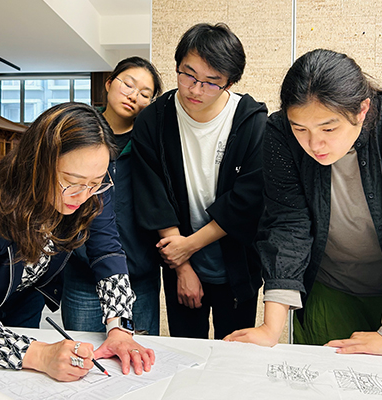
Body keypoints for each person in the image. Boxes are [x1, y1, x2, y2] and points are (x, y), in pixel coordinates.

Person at [0, 102, 155, 382]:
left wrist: (120, 327)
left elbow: (106, 250)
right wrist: (43, 355)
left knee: (23, 381)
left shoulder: (91, 184)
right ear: (38, 163)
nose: (84, 195)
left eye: (96, 182)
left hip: (22, 291)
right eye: (71, 181)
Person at [224, 49, 382, 356]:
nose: (315, 144)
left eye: (329, 128)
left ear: (362, 109)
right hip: (330, 287)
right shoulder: (280, 132)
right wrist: (270, 328)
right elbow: (287, 222)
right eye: (301, 129)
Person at [130, 23, 267, 340]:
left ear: (229, 82)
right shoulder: (154, 119)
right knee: (187, 349)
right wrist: (182, 265)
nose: (195, 89)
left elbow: (247, 201)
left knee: (234, 351)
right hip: (178, 258)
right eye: (188, 75)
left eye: (211, 83)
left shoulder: (252, 122)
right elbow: (153, 195)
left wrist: (188, 246)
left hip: (237, 262)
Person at [61, 57, 164, 335]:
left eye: (145, 94)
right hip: (82, 273)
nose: (133, 96)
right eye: (128, 85)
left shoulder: (150, 144)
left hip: (140, 274)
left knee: (138, 354)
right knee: (84, 352)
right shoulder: (77, 133)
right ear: (108, 83)